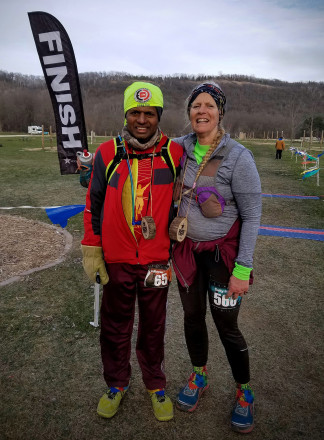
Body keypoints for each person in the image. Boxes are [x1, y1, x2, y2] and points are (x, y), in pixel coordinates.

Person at [81, 81, 183, 422]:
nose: (142, 120)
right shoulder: (107, 153)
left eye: (149, 114)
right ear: (126, 115)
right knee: (115, 326)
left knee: (153, 327)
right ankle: (116, 384)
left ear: (159, 116)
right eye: (135, 113)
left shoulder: (173, 152)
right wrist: (93, 249)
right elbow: (92, 204)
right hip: (118, 259)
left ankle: (155, 384)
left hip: (156, 260)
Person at [171, 82, 262, 433]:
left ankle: (244, 392)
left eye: (209, 105)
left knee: (227, 324)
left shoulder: (238, 156)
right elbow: (144, 151)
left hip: (225, 257)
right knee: (193, 318)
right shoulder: (178, 148)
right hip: (186, 253)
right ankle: (199, 376)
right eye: (196, 106)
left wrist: (243, 268)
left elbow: (253, 215)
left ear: (220, 112)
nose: (201, 111)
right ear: (189, 112)